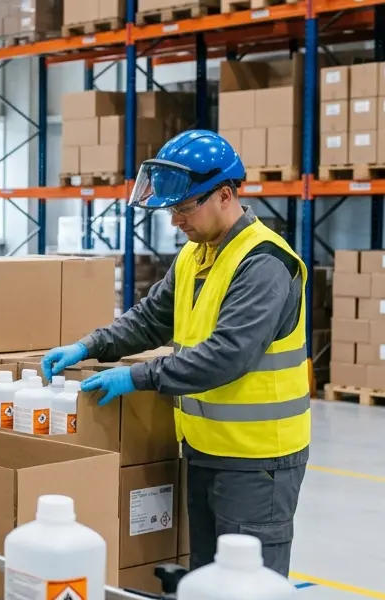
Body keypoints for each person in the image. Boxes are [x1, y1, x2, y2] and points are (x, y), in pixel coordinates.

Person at [41, 130, 308, 577]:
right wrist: (91, 345)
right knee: (206, 580)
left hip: (258, 463)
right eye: (172, 210)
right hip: (205, 450)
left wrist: (137, 378)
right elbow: (150, 319)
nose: (175, 221)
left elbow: (227, 355)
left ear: (225, 195)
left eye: (184, 208)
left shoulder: (263, 263)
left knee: (247, 591)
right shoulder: (196, 255)